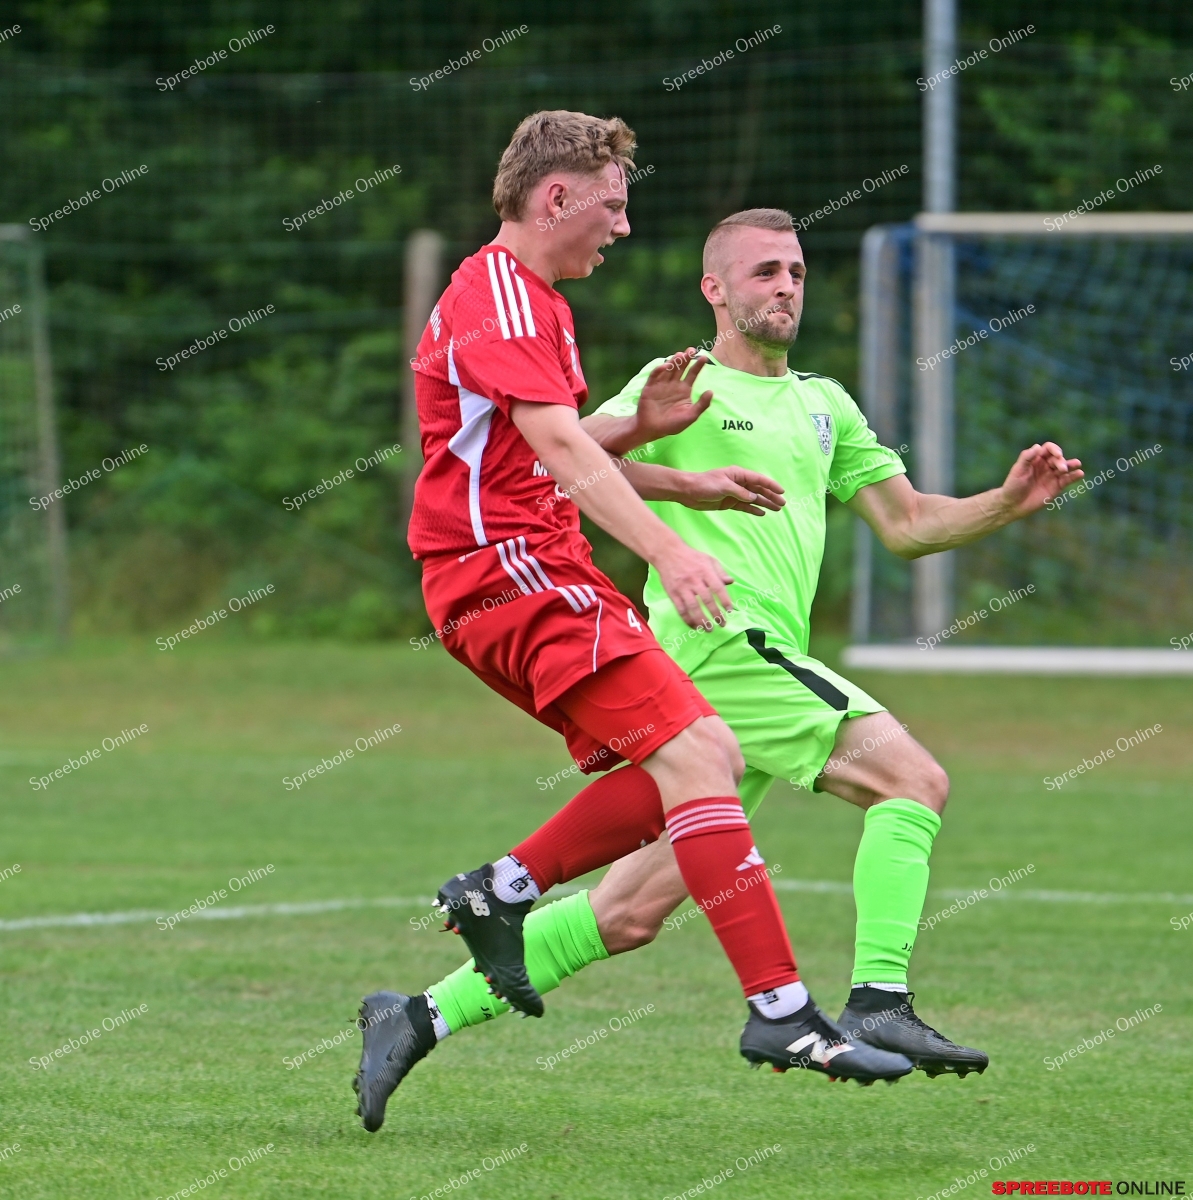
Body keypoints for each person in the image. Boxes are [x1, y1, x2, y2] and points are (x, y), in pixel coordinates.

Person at [361, 206, 1084, 1126]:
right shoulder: (678, 382)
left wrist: (1005, 503)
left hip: (757, 673)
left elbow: (908, 526)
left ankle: (416, 1015)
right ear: (714, 288)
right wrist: (676, 481)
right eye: (763, 272)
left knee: (626, 914)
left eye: (796, 272)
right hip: (719, 647)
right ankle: (878, 1001)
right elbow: (557, 458)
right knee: (911, 780)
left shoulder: (826, 405)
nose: (785, 287)